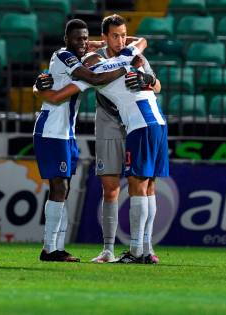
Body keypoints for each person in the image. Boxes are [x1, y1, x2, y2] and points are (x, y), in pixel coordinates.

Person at [34, 46, 169, 264]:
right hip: (159, 121)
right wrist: (147, 76)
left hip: (140, 125)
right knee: (148, 185)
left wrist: (37, 90)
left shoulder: (94, 74)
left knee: (137, 186)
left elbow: (58, 95)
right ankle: (144, 249)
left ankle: (136, 252)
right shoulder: (127, 57)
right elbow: (142, 47)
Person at [88, 15, 162, 263]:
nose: (120, 40)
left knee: (145, 185)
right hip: (110, 125)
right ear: (105, 37)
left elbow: (157, 85)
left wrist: (148, 79)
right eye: (115, 35)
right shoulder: (99, 58)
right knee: (111, 189)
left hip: (136, 122)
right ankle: (108, 250)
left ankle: (144, 248)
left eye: (123, 34)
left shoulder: (133, 53)